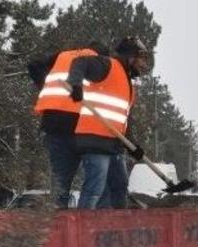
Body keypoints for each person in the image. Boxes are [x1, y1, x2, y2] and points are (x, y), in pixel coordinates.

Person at [66, 37, 150, 209]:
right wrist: (75, 85)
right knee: (94, 188)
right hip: (94, 139)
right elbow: (80, 62)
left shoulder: (128, 85)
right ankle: (81, 227)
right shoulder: (108, 66)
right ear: (130, 57)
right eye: (140, 58)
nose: (143, 64)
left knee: (119, 186)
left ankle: (113, 226)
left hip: (114, 144)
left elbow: (120, 121)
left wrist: (133, 146)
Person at [29, 42, 109, 209]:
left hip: (53, 124)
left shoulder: (62, 55)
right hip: (82, 126)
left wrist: (44, 86)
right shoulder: (99, 62)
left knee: (60, 183)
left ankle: (58, 227)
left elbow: (33, 65)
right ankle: (83, 223)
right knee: (96, 179)